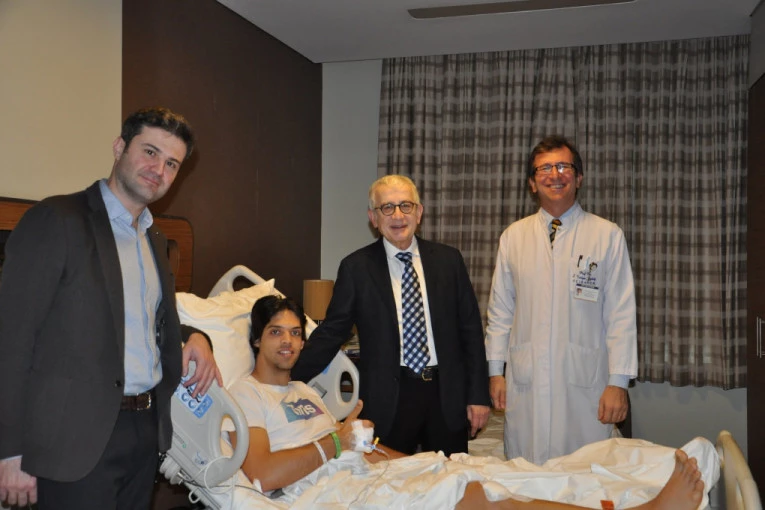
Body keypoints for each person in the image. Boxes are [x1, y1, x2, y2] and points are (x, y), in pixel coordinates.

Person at [224, 295, 704, 510]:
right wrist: (337, 440)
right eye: (276, 332)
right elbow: (263, 474)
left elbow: (352, 449)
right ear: (256, 339)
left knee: (486, 477)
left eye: (295, 333)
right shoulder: (245, 395)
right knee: (484, 499)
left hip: (361, 472)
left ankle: (617, 496)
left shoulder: (305, 392)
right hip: (330, 494)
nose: (288, 342)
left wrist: (422, 463)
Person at [0, 107, 223, 509]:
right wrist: (10, 451)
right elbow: (10, 338)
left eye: (171, 163)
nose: (159, 169)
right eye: (150, 152)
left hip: (143, 433)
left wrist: (196, 337)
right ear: (120, 147)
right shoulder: (57, 220)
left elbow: (137, 320)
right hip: (73, 439)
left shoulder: (154, 239)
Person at [290, 174, 490, 456]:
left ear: (419, 213)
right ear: (373, 218)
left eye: (406, 206)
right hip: (389, 399)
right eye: (387, 207)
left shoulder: (449, 261)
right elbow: (332, 332)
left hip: (446, 395)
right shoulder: (356, 268)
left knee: (450, 478)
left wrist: (478, 395)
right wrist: (286, 374)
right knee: (388, 479)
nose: (398, 215)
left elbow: (470, 331)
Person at [485, 135, 638, 465]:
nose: (554, 174)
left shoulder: (607, 235)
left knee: (583, 473)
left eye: (563, 166)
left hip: (584, 383)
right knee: (527, 472)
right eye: (544, 168)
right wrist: (496, 372)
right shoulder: (513, 237)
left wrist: (618, 383)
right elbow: (500, 311)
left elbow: (621, 315)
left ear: (578, 177)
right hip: (527, 381)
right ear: (532, 183)